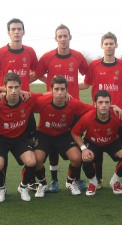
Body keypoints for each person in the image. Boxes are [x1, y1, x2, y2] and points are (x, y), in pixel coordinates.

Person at [0, 18, 39, 191]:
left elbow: (36, 72)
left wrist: (24, 88)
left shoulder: (30, 52)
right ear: (8, 32)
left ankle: (27, 183)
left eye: (19, 29)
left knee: (30, 149)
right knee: (1, 152)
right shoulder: (0, 53)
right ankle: (2, 186)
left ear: (23, 31)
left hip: (24, 107)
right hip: (4, 106)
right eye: (13, 29)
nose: (16, 32)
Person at [32, 24, 89, 192]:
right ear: (56, 38)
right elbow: (36, 74)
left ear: (70, 37)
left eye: (65, 36)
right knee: (52, 145)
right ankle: (54, 180)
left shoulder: (78, 56)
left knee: (76, 145)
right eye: (60, 36)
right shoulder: (48, 57)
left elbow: (89, 77)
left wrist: (76, 88)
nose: (63, 39)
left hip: (73, 108)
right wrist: (52, 89)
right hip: (53, 106)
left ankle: (74, 180)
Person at [79, 32, 122, 189]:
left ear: (116, 45)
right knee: (98, 143)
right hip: (100, 110)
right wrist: (67, 87)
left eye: (111, 43)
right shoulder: (94, 65)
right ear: (101, 46)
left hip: (120, 110)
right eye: (106, 44)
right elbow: (87, 84)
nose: (109, 46)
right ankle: (99, 178)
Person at [31, 76, 96, 197]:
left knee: (77, 158)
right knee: (37, 160)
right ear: (51, 90)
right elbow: (24, 101)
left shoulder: (73, 103)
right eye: (56, 89)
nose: (59, 93)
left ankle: (70, 182)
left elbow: (93, 110)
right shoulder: (42, 101)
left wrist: (112, 107)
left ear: (67, 90)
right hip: (44, 134)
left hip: (63, 135)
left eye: (62, 89)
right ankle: (43, 184)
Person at [0, 73, 43, 202]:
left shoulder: (27, 98)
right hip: (0, 138)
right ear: (5, 87)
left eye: (16, 87)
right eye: (10, 87)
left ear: (21, 87)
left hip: (19, 138)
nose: (13, 91)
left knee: (32, 162)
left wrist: (64, 94)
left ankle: (23, 187)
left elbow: (45, 96)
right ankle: (1, 188)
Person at [71, 90, 122, 196]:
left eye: (106, 102)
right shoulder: (88, 117)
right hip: (93, 142)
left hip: (112, 142)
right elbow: (75, 132)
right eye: (100, 102)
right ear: (95, 104)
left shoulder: (117, 114)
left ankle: (115, 181)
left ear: (110, 104)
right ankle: (93, 183)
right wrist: (83, 148)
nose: (104, 105)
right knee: (86, 158)